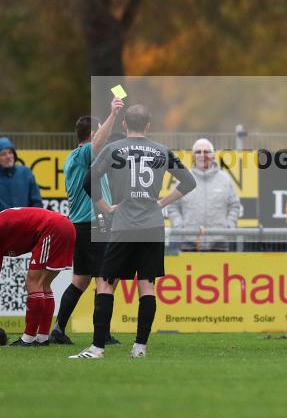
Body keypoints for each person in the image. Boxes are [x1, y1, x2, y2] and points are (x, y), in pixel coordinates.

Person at [69, 104, 196, 360]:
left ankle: (97, 348)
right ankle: (140, 347)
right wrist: (160, 203)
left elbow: (87, 181)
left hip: (124, 225)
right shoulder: (161, 150)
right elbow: (189, 181)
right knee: (147, 286)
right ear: (148, 126)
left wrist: (104, 207)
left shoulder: (113, 149)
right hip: (152, 226)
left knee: (105, 283)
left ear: (124, 125)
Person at [50, 100, 124, 346]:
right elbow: (99, 142)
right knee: (106, 279)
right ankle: (101, 334)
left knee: (80, 280)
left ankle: (58, 330)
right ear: (92, 135)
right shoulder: (83, 154)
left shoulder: (75, 158)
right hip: (94, 225)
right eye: (99, 130)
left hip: (82, 226)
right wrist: (113, 113)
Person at [0, 207, 75, 346]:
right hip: (63, 225)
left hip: (52, 228)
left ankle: (28, 339)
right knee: (43, 285)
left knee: (33, 283)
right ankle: (42, 339)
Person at [166, 138, 241, 252]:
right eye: (198, 152)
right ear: (193, 156)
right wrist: (180, 227)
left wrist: (228, 227)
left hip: (219, 245)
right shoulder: (183, 179)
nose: (202, 155)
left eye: (206, 152)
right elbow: (172, 205)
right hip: (189, 244)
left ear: (213, 155)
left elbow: (234, 205)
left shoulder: (225, 179)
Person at [0, 137, 43, 225]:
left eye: (10, 152)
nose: (8, 157)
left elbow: (37, 204)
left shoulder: (26, 173)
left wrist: (31, 223)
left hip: (26, 230)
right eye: (3, 154)